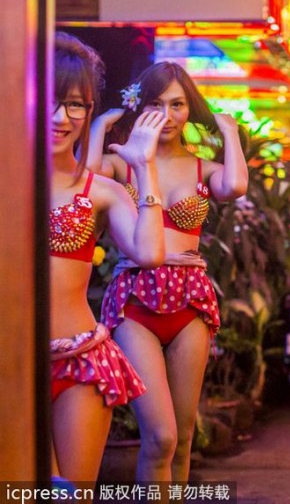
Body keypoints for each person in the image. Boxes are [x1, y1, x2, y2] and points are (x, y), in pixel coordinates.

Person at [87, 61, 248, 482]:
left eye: (178, 104)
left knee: (185, 435)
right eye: (157, 104)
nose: (169, 115)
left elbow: (234, 187)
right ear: (139, 108)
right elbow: (86, 179)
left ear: (190, 109)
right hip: (135, 297)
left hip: (191, 297)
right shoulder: (121, 162)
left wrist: (228, 131)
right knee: (160, 437)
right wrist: (101, 127)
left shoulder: (202, 167)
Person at [49, 33, 165, 485]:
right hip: (11, 365)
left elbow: (150, 254)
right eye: (52, 101)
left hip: (80, 359)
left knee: (70, 495)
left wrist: (144, 166)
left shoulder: (101, 190)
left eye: (76, 105)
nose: (62, 117)